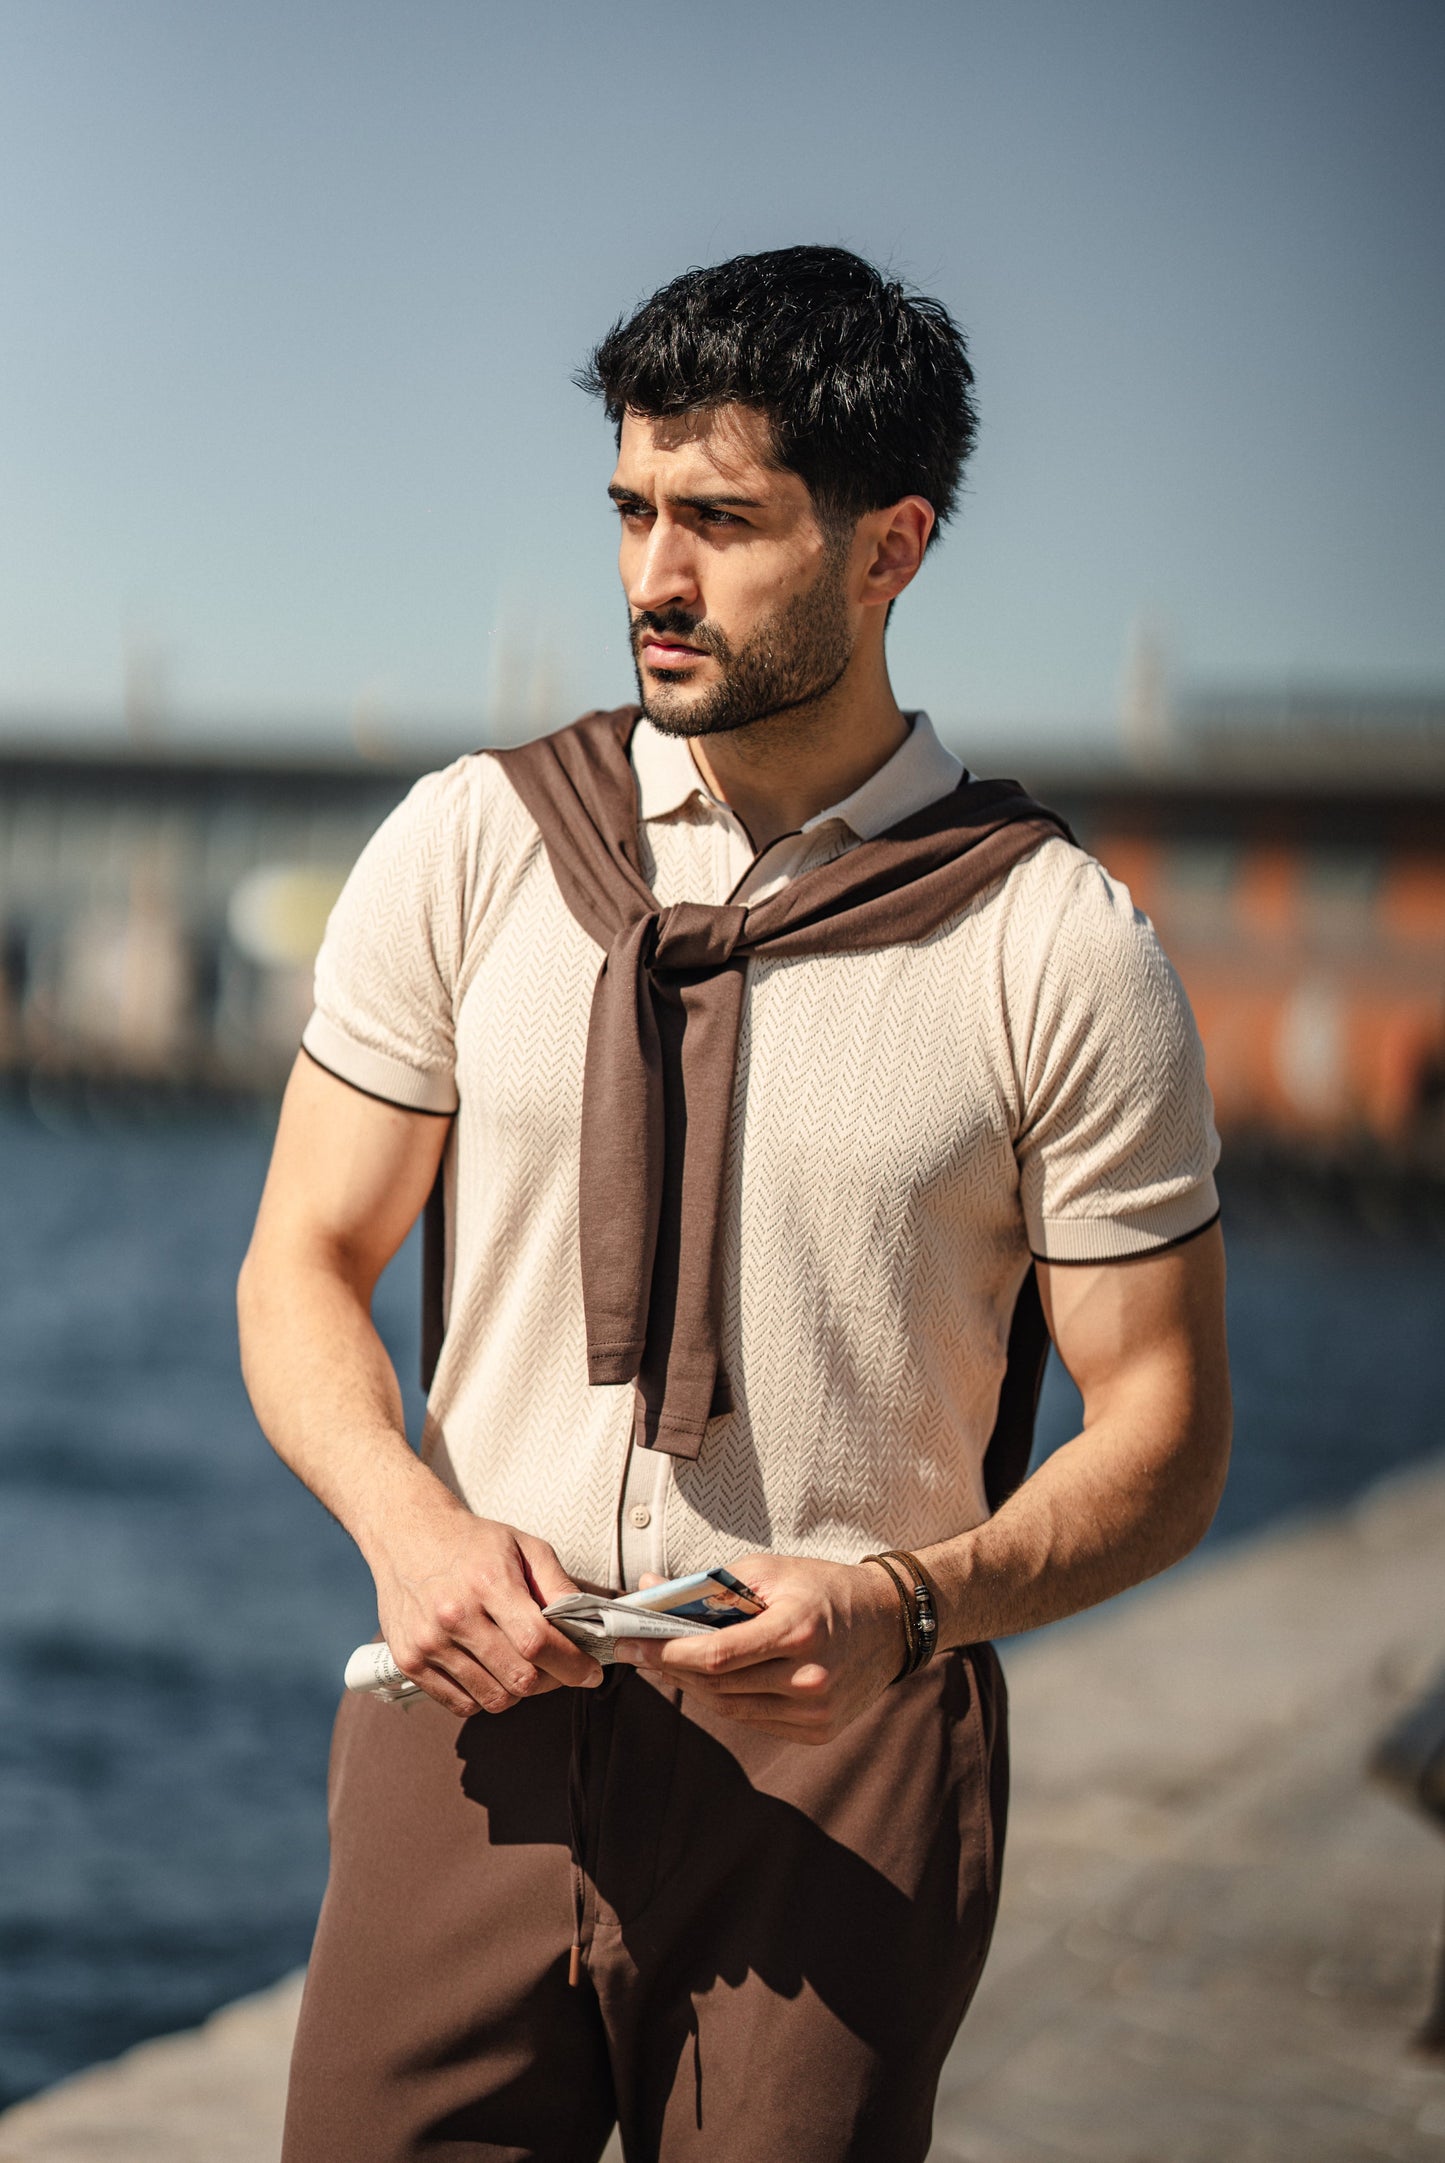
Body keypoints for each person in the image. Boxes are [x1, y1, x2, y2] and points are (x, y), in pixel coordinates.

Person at [238, 244, 1231, 2163]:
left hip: (842, 1768)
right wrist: (407, 1527)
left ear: (890, 549)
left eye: (721, 521)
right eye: (630, 511)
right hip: (474, 1733)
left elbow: (1169, 1437)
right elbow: (305, 1259)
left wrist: (905, 1606)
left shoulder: (1056, 945)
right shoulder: (475, 843)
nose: (651, 580)